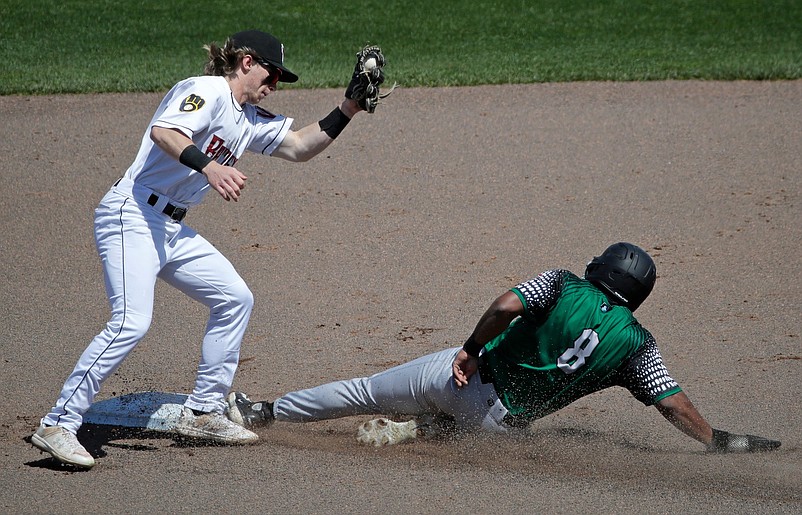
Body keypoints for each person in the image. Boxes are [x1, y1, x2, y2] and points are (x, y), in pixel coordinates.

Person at [31, 29, 380, 469]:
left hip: (170, 228)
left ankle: (203, 411)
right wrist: (209, 165)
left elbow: (298, 146)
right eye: (272, 75)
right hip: (132, 214)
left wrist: (348, 107)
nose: (273, 86)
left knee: (234, 298)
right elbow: (165, 131)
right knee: (131, 322)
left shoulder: (247, 117)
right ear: (247, 62)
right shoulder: (207, 91)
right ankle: (58, 422)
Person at [225, 242, 781, 453]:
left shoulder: (565, 282)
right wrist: (714, 439)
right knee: (465, 423)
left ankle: (266, 411)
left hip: (464, 379)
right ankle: (415, 430)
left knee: (366, 391)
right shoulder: (638, 344)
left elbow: (504, 306)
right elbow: (672, 402)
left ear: (600, 270)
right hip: (500, 427)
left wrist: (469, 348)